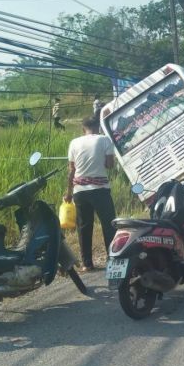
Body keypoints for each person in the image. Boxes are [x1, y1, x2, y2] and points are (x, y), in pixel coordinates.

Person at [65, 116, 116, 272]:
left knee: (84, 226)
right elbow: (109, 165)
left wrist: (68, 192)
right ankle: (112, 259)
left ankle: (87, 264)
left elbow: (71, 170)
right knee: (109, 225)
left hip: (80, 192)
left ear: (83, 129)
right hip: (100, 190)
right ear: (98, 128)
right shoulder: (104, 140)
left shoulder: (74, 142)